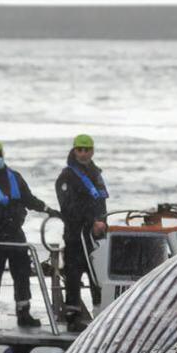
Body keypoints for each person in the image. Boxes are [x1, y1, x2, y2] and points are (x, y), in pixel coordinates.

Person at [0, 140, 59, 330]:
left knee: (22, 272)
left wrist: (48, 209)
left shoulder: (15, 177)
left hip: (16, 234)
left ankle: (24, 313)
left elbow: (29, 199)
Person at [55, 133, 109, 330]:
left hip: (96, 234)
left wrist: (101, 222)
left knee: (99, 274)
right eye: (80, 149)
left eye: (87, 150)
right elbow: (68, 207)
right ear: (74, 150)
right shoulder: (66, 176)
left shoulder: (96, 174)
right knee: (73, 274)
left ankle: (101, 313)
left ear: (92, 151)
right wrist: (90, 220)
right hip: (76, 234)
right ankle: (72, 317)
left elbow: (102, 201)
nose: (84, 153)